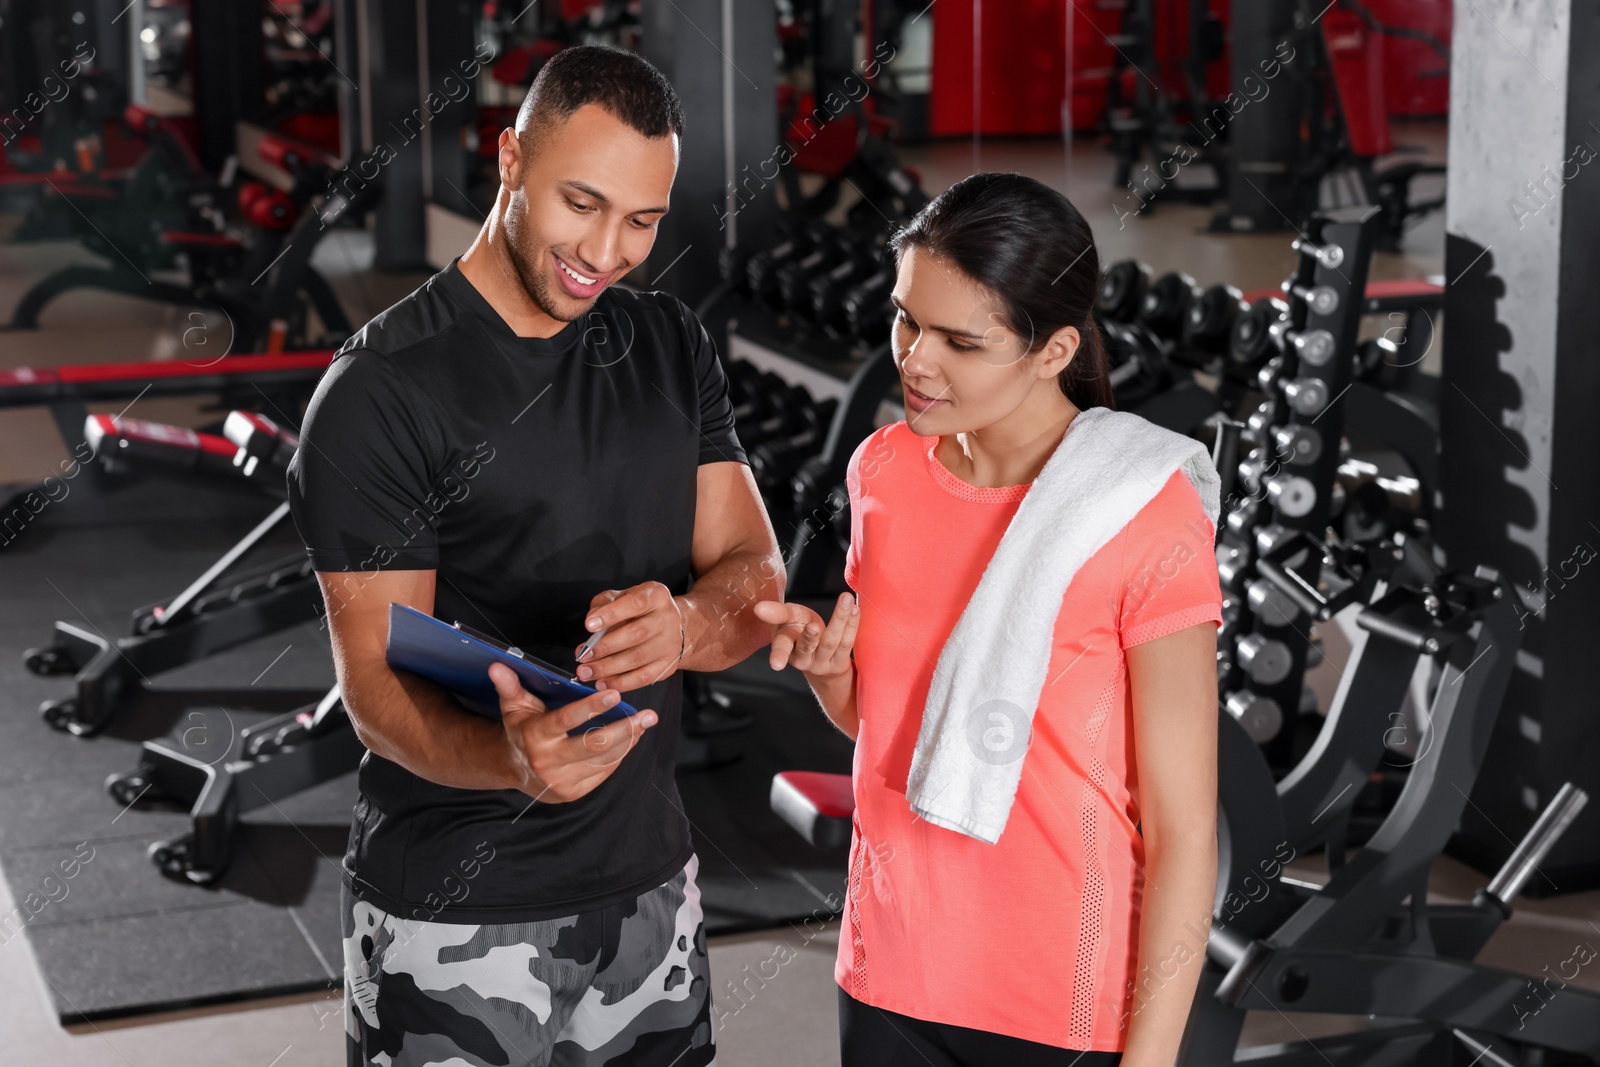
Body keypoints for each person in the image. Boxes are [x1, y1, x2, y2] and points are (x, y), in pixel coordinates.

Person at [286, 45, 785, 1067]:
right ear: (509, 157)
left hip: (650, 888)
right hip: (452, 913)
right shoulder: (382, 391)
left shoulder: (668, 345)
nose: (605, 250)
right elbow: (374, 688)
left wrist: (689, 623)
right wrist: (508, 758)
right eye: (581, 202)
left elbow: (752, 569)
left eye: (641, 221)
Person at [754, 172, 1223, 1067]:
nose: (915, 360)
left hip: (1059, 996)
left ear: (1053, 352)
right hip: (890, 965)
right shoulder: (883, 471)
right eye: (906, 318)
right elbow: (893, 730)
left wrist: (1154, 1058)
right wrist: (834, 678)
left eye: (961, 342)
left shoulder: (1143, 510)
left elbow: (1183, 829)